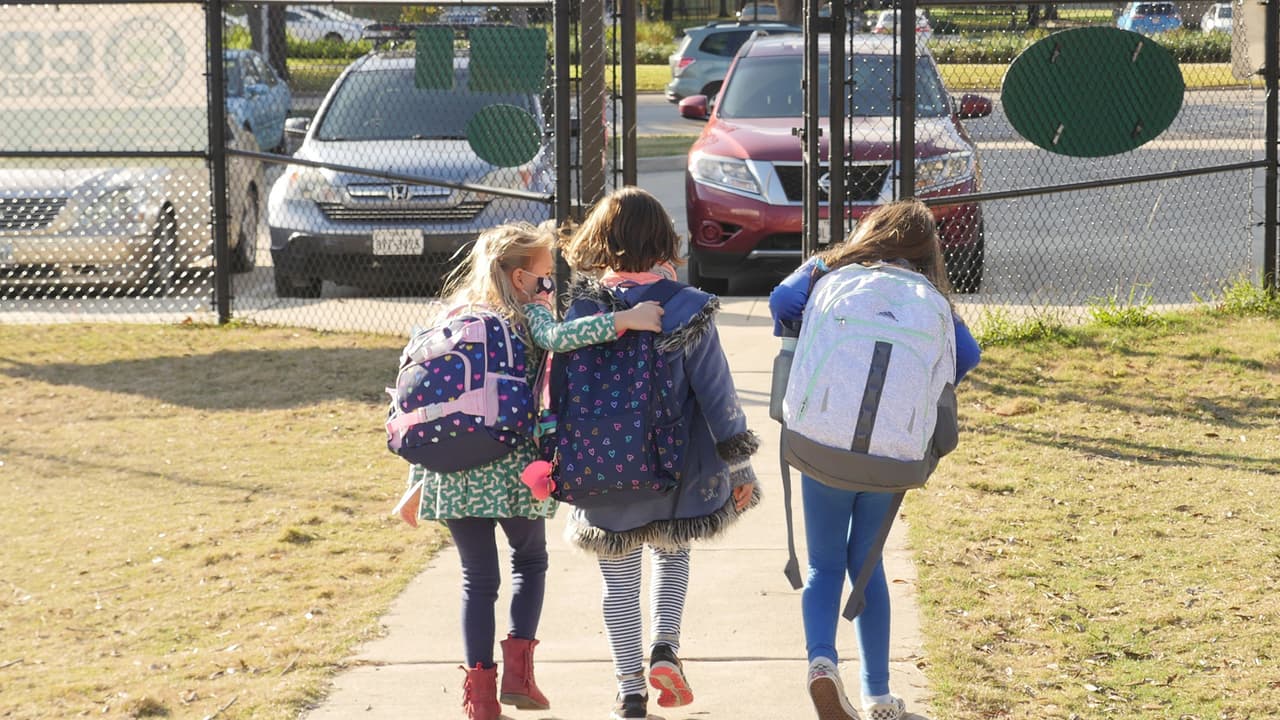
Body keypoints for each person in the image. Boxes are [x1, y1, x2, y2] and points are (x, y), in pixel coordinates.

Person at [408, 221, 664, 720]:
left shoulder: (452, 315)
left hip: (452, 471)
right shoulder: (526, 315)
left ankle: (480, 697)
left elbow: (429, 403)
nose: (551, 288)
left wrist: (417, 480)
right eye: (547, 279)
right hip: (511, 466)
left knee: (475, 579)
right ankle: (521, 675)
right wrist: (625, 320)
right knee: (529, 562)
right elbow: (563, 337)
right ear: (521, 278)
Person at [768, 199, 981, 720]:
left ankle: (821, 665)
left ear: (871, 234)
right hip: (892, 454)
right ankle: (879, 696)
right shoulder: (930, 300)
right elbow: (968, 356)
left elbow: (781, 302)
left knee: (823, 565)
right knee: (867, 568)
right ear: (926, 252)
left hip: (822, 443)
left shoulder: (834, 277)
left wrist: (823, 261)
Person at [556, 186, 762, 720]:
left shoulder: (580, 313)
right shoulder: (687, 310)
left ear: (599, 241)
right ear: (665, 243)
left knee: (617, 580)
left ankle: (629, 692)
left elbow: (555, 392)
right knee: (673, 554)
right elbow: (719, 397)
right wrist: (740, 468)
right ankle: (665, 648)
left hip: (604, 470)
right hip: (679, 473)